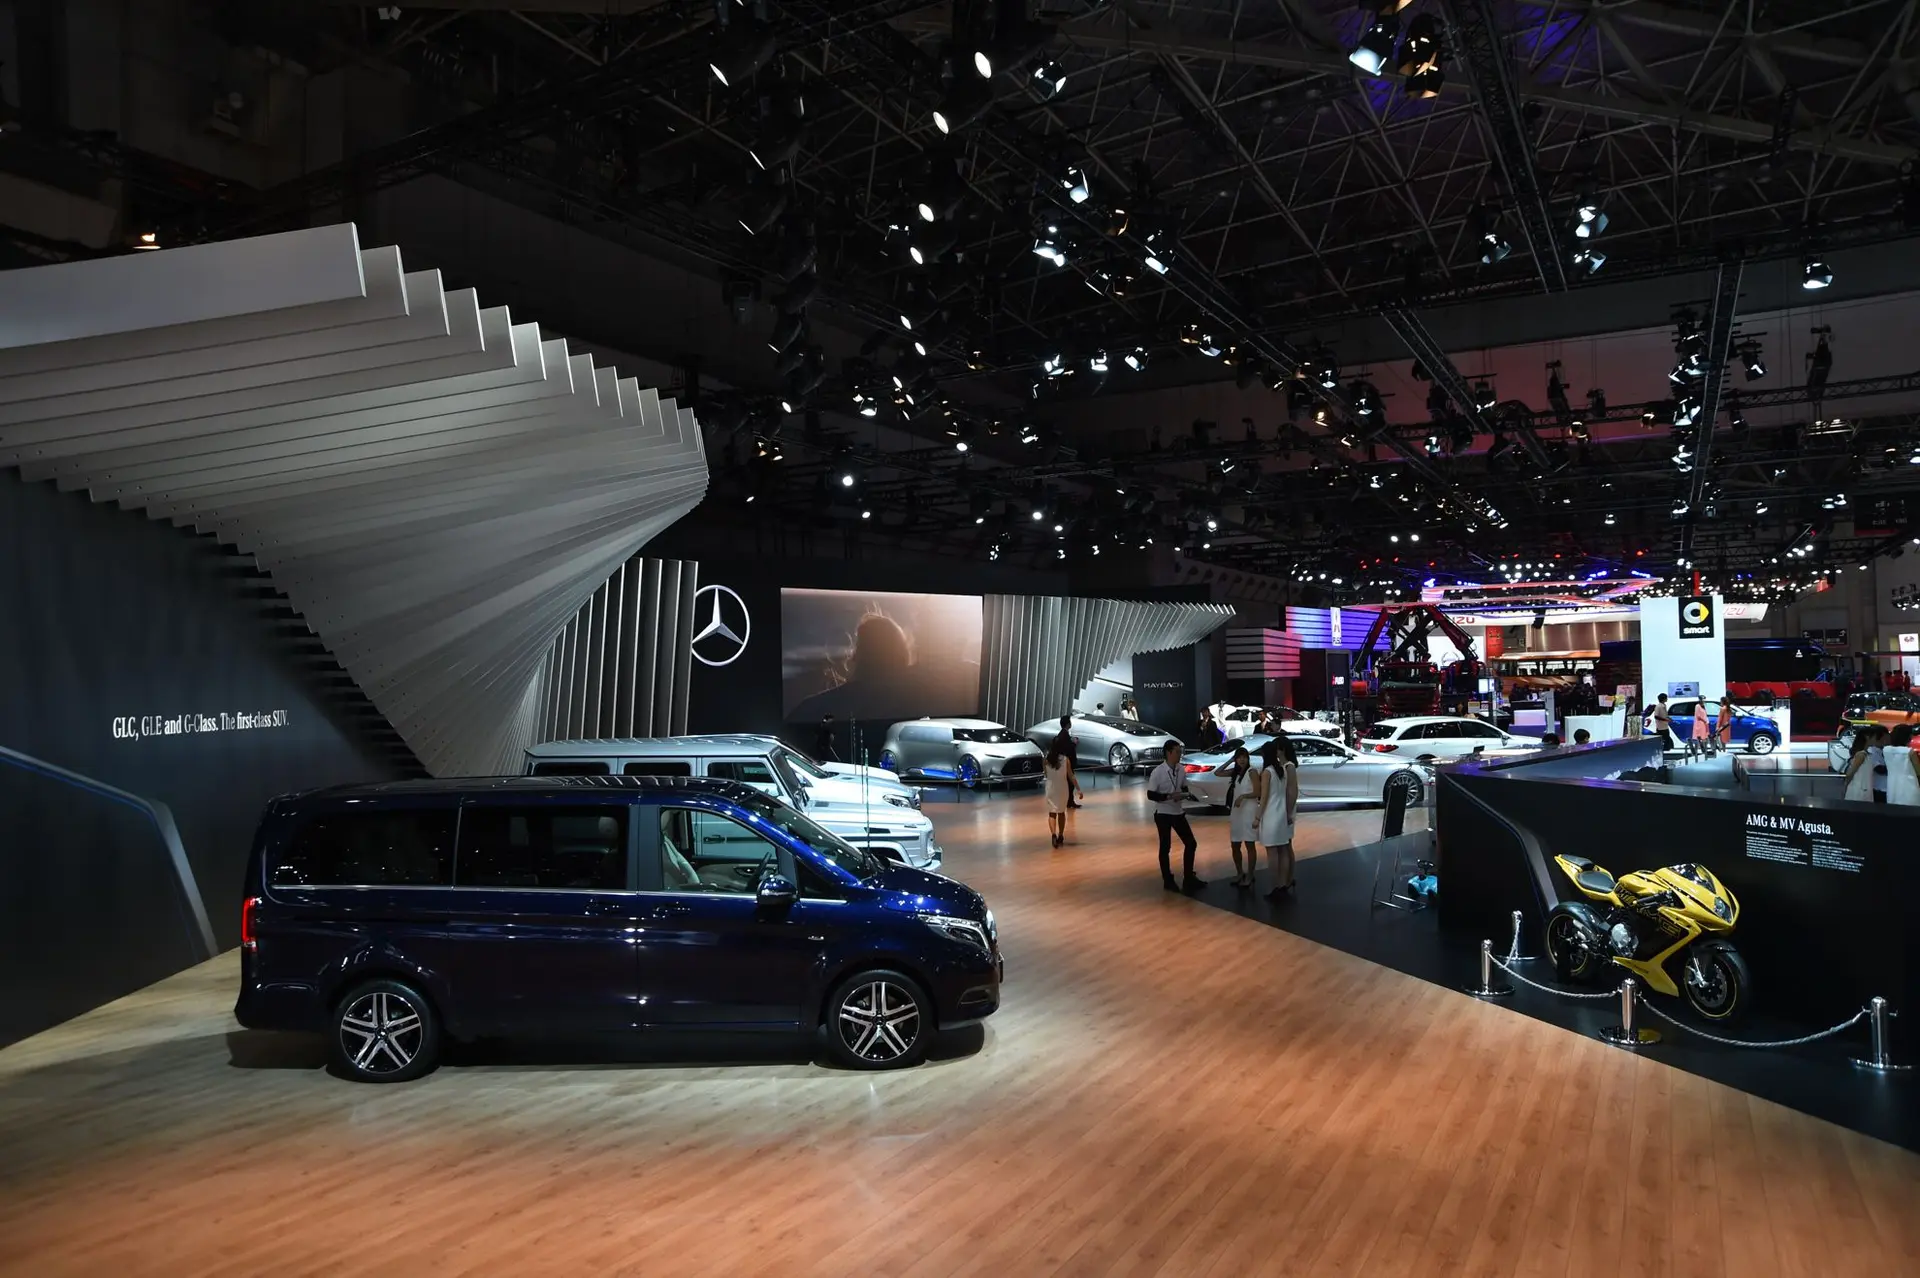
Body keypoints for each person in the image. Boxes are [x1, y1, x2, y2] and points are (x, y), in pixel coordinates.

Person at [1144, 742, 1202, 892]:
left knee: (1191, 843)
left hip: (1177, 812)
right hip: (1163, 813)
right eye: (1177, 751)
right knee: (1165, 847)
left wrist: (1184, 794)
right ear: (1169, 753)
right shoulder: (1158, 772)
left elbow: (1183, 786)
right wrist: (1169, 796)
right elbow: (1151, 794)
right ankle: (1167, 880)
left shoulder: (1181, 769)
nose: (1180, 754)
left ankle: (1188, 877)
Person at [1256, 736, 1298, 901]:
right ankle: (1283, 884)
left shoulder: (1268, 772)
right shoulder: (1282, 770)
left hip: (1271, 814)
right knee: (1283, 850)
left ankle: (1275, 886)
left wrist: (1257, 817)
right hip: (1281, 813)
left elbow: (1264, 797)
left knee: (1273, 853)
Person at [1215, 744, 1260, 888]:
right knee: (1235, 844)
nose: (1242, 760)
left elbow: (1258, 792)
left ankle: (1250, 875)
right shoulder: (1235, 772)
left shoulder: (1252, 772)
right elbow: (1217, 772)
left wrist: (1243, 796)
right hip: (1237, 812)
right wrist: (1230, 760)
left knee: (1249, 844)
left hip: (1249, 811)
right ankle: (1240, 872)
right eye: (1239, 757)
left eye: (1244, 757)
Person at [1042, 732, 1079, 847]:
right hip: (1062, 788)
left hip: (1050, 788)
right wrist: (1078, 789)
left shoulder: (1046, 760)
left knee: (1052, 813)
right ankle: (1061, 835)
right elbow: (1071, 776)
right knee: (1061, 812)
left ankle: (1053, 834)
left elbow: (1046, 774)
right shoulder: (1065, 760)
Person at [1842, 726, 1878, 803]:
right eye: (1874, 737)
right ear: (1867, 737)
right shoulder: (1861, 755)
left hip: (1865, 789)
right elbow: (1850, 774)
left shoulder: (1867, 755)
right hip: (1858, 790)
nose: (1876, 739)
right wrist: (1845, 787)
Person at [1886, 724, 1920, 806]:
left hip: (1892, 786)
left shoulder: (1886, 750)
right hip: (1910, 786)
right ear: (1908, 736)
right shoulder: (1909, 752)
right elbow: (1918, 771)